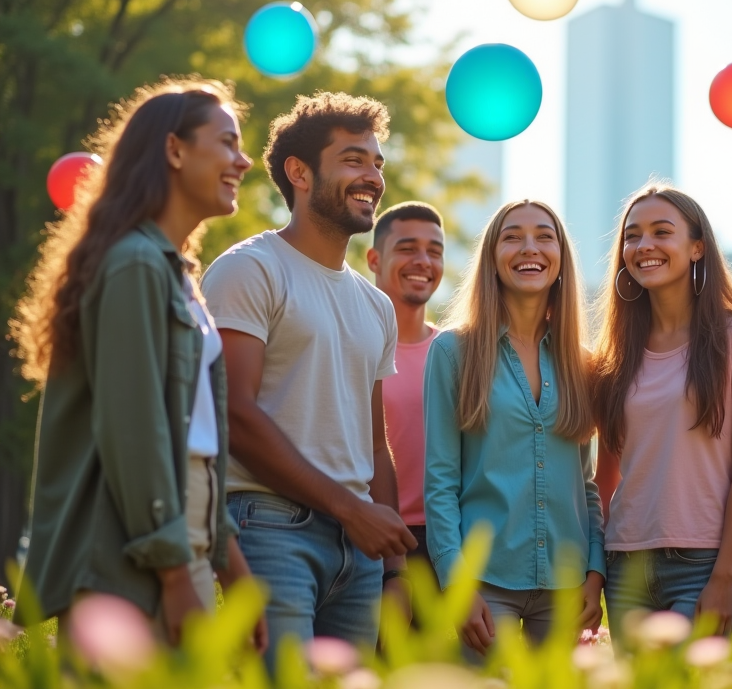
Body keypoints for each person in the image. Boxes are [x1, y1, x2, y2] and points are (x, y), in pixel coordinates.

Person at [13, 79, 264, 651]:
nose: (242, 160)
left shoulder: (178, 275)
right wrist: (174, 571)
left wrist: (231, 569)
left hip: (184, 534)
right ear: (174, 150)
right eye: (226, 142)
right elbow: (135, 429)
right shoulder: (134, 266)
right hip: (134, 547)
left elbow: (199, 440)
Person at [201, 92, 416, 669]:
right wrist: (350, 508)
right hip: (270, 529)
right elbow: (235, 417)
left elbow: (374, 443)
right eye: (353, 159)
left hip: (360, 550)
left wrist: (393, 565)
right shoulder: (250, 269)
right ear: (299, 172)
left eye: (377, 163)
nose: (372, 176)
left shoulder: (376, 306)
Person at [592, 183, 732, 638]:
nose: (643, 246)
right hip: (625, 568)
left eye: (661, 232)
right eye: (632, 236)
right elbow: (605, 477)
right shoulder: (617, 354)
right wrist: (595, 568)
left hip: (703, 564)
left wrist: (724, 575)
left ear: (697, 248)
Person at [423, 200, 604, 657]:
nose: (530, 248)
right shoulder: (452, 352)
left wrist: (595, 572)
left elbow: (586, 484)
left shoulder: (581, 363)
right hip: (485, 584)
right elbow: (440, 481)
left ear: (561, 256)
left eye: (545, 236)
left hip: (568, 582)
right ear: (492, 256)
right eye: (512, 236)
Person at [367, 201, 445, 602]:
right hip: (372, 538)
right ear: (374, 260)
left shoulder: (456, 353)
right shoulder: (354, 347)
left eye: (434, 250)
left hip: (449, 545)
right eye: (407, 248)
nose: (423, 260)